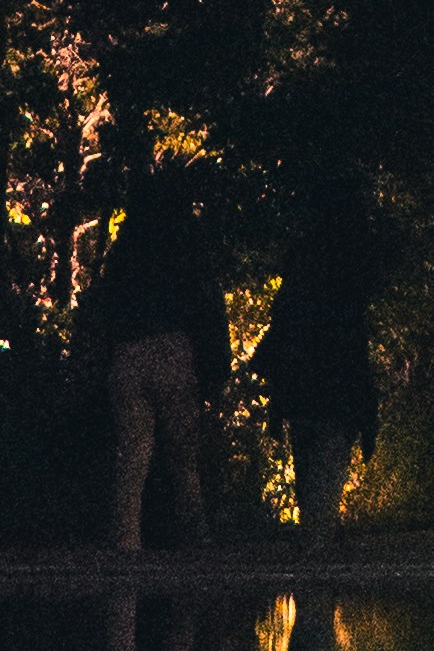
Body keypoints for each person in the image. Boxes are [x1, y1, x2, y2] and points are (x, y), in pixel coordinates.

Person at [81, 162, 230, 553]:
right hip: (172, 350)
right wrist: (217, 361)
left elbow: (106, 302)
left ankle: (126, 543)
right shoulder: (187, 238)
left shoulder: (128, 243)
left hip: (128, 352)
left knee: (133, 456)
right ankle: (195, 540)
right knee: (183, 456)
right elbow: (207, 301)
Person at [256, 175, 382, 545]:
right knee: (324, 490)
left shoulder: (303, 261)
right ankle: (318, 569)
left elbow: (284, 327)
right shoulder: (350, 269)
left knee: (310, 482)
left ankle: (313, 568)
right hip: (335, 390)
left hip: (304, 388)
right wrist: (367, 416)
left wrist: (277, 408)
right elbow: (355, 345)